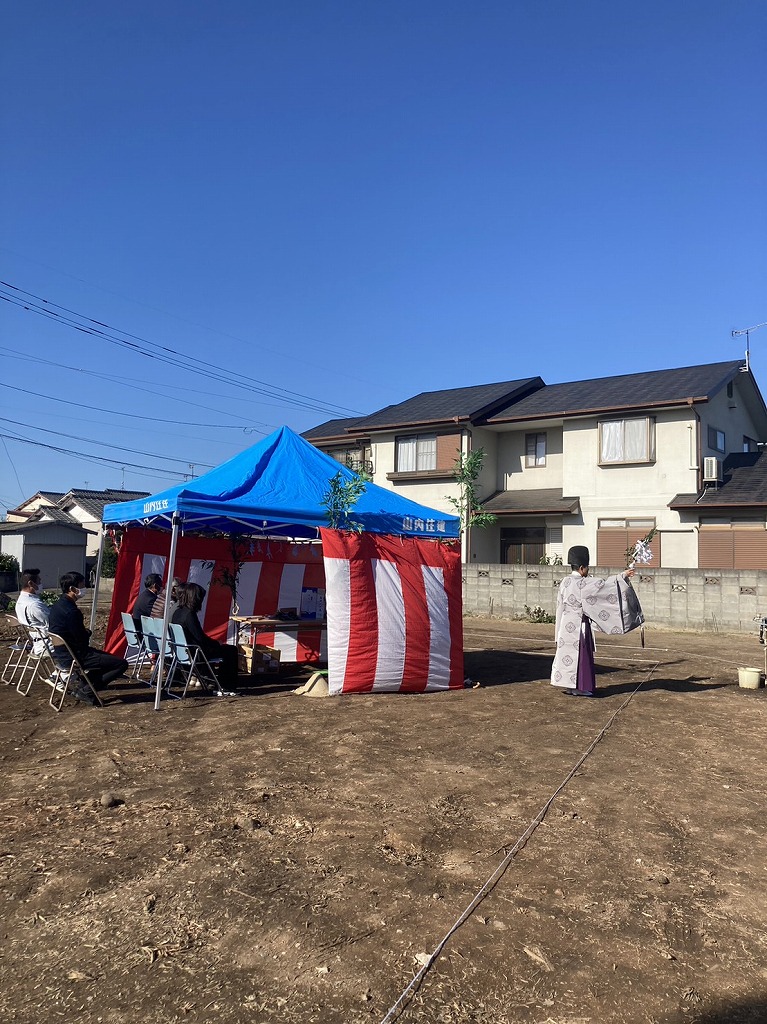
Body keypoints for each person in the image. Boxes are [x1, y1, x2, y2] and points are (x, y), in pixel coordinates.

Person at [551, 546, 635, 698]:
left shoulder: (565, 582)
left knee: (566, 654)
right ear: (582, 568)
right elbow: (606, 585)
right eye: (587, 568)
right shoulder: (584, 583)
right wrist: (623, 575)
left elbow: (559, 606)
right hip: (579, 625)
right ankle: (581, 687)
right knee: (581, 656)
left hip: (565, 624)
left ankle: (570, 686)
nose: (588, 571)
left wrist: (557, 632)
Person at [48, 570, 129, 702]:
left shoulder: (57, 606)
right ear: (72, 589)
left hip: (62, 652)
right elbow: (82, 640)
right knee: (121, 664)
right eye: (81, 586)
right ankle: (88, 691)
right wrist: (87, 633)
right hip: (76, 655)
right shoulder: (72, 612)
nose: (84, 588)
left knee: (107, 659)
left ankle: (84, 685)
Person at [171, 582, 239, 691]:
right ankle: (227, 683)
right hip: (196, 652)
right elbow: (200, 638)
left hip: (184, 651)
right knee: (231, 650)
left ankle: (217, 680)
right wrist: (216, 643)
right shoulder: (189, 615)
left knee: (226, 649)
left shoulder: (178, 612)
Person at [15, 568, 50, 656]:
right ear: (31, 583)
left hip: (37, 643)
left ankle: (61, 669)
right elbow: (53, 624)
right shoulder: (34, 605)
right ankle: (66, 669)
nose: (41, 584)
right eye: (39, 581)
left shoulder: (20, 601)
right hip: (47, 645)